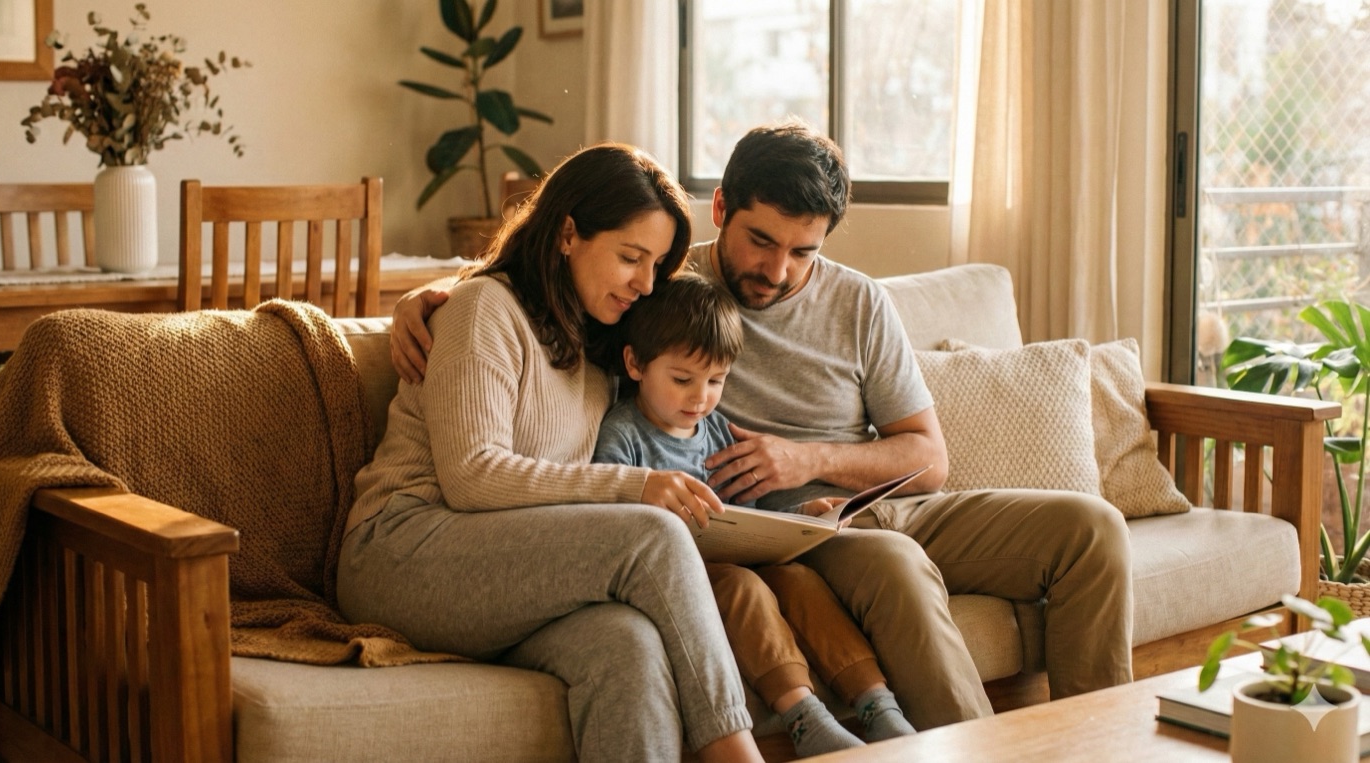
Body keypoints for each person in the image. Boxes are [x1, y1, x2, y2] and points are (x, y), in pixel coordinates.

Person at [389, 121, 1134, 730]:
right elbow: (553, 288)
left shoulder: (860, 303)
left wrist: (804, 457)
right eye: (761, 241)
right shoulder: (669, 290)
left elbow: (928, 458)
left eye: (803, 250)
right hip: (773, 534)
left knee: (1091, 529)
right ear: (721, 212)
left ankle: (1095, 746)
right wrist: (436, 294)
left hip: (863, 502)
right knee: (896, 566)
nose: (777, 270)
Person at [337, 143, 764, 763]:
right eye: (630, 258)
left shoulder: (603, 340)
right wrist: (633, 487)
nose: (645, 283)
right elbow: (473, 478)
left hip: (504, 568)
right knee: (652, 535)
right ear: (568, 233)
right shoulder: (485, 309)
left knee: (628, 645)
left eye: (656, 265)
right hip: (403, 549)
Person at [591, 273, 914, 758]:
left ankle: (877, 705)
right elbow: (609, 516)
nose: (700, 397)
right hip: (683, 576)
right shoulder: (624, 435)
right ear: (635, 364)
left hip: (741, 556)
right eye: (682, 380)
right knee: (745, 588)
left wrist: (807, 513)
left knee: (800, 578)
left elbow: (754, 511)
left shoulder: (717, 430)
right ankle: (804, 717)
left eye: (716, 381)